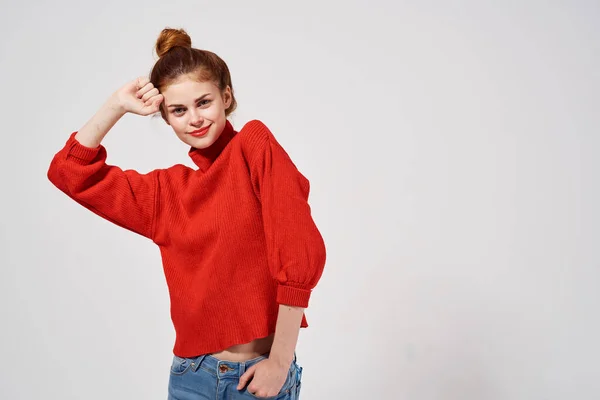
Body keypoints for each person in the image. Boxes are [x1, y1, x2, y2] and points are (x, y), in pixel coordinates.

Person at [47, 27, 326, 400]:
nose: (194, 118)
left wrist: (279, 362)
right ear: (166, 118)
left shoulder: (253, 147)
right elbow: (68, 172)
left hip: (258, 380)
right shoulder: (167, 193)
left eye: (204, 102)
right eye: (178, 110)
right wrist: (115, 104)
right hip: (190, 377)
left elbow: (297, 250)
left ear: (226, 97)